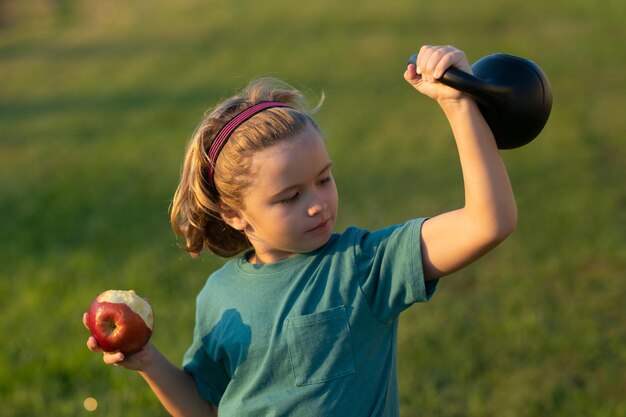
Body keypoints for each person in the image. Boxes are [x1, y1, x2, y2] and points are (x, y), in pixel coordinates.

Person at [83, 44, 517, 417]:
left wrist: (458, 105)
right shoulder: (218, 298)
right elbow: (207, 407)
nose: (317, 203)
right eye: (289, 197)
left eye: (324, 179)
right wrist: (148, 361)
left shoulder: (365, 265)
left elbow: (488, 222)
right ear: (235, 214)